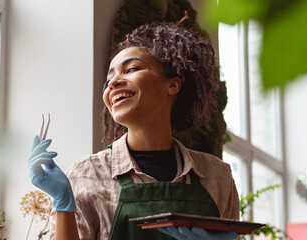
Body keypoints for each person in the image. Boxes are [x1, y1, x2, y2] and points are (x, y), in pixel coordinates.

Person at [28, 22, 240, 240]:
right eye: (109, 80)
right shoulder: (86, 175)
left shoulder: (216, 176)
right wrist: (63, 203)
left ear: (173, 85)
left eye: (131, 70)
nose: (113, 83)